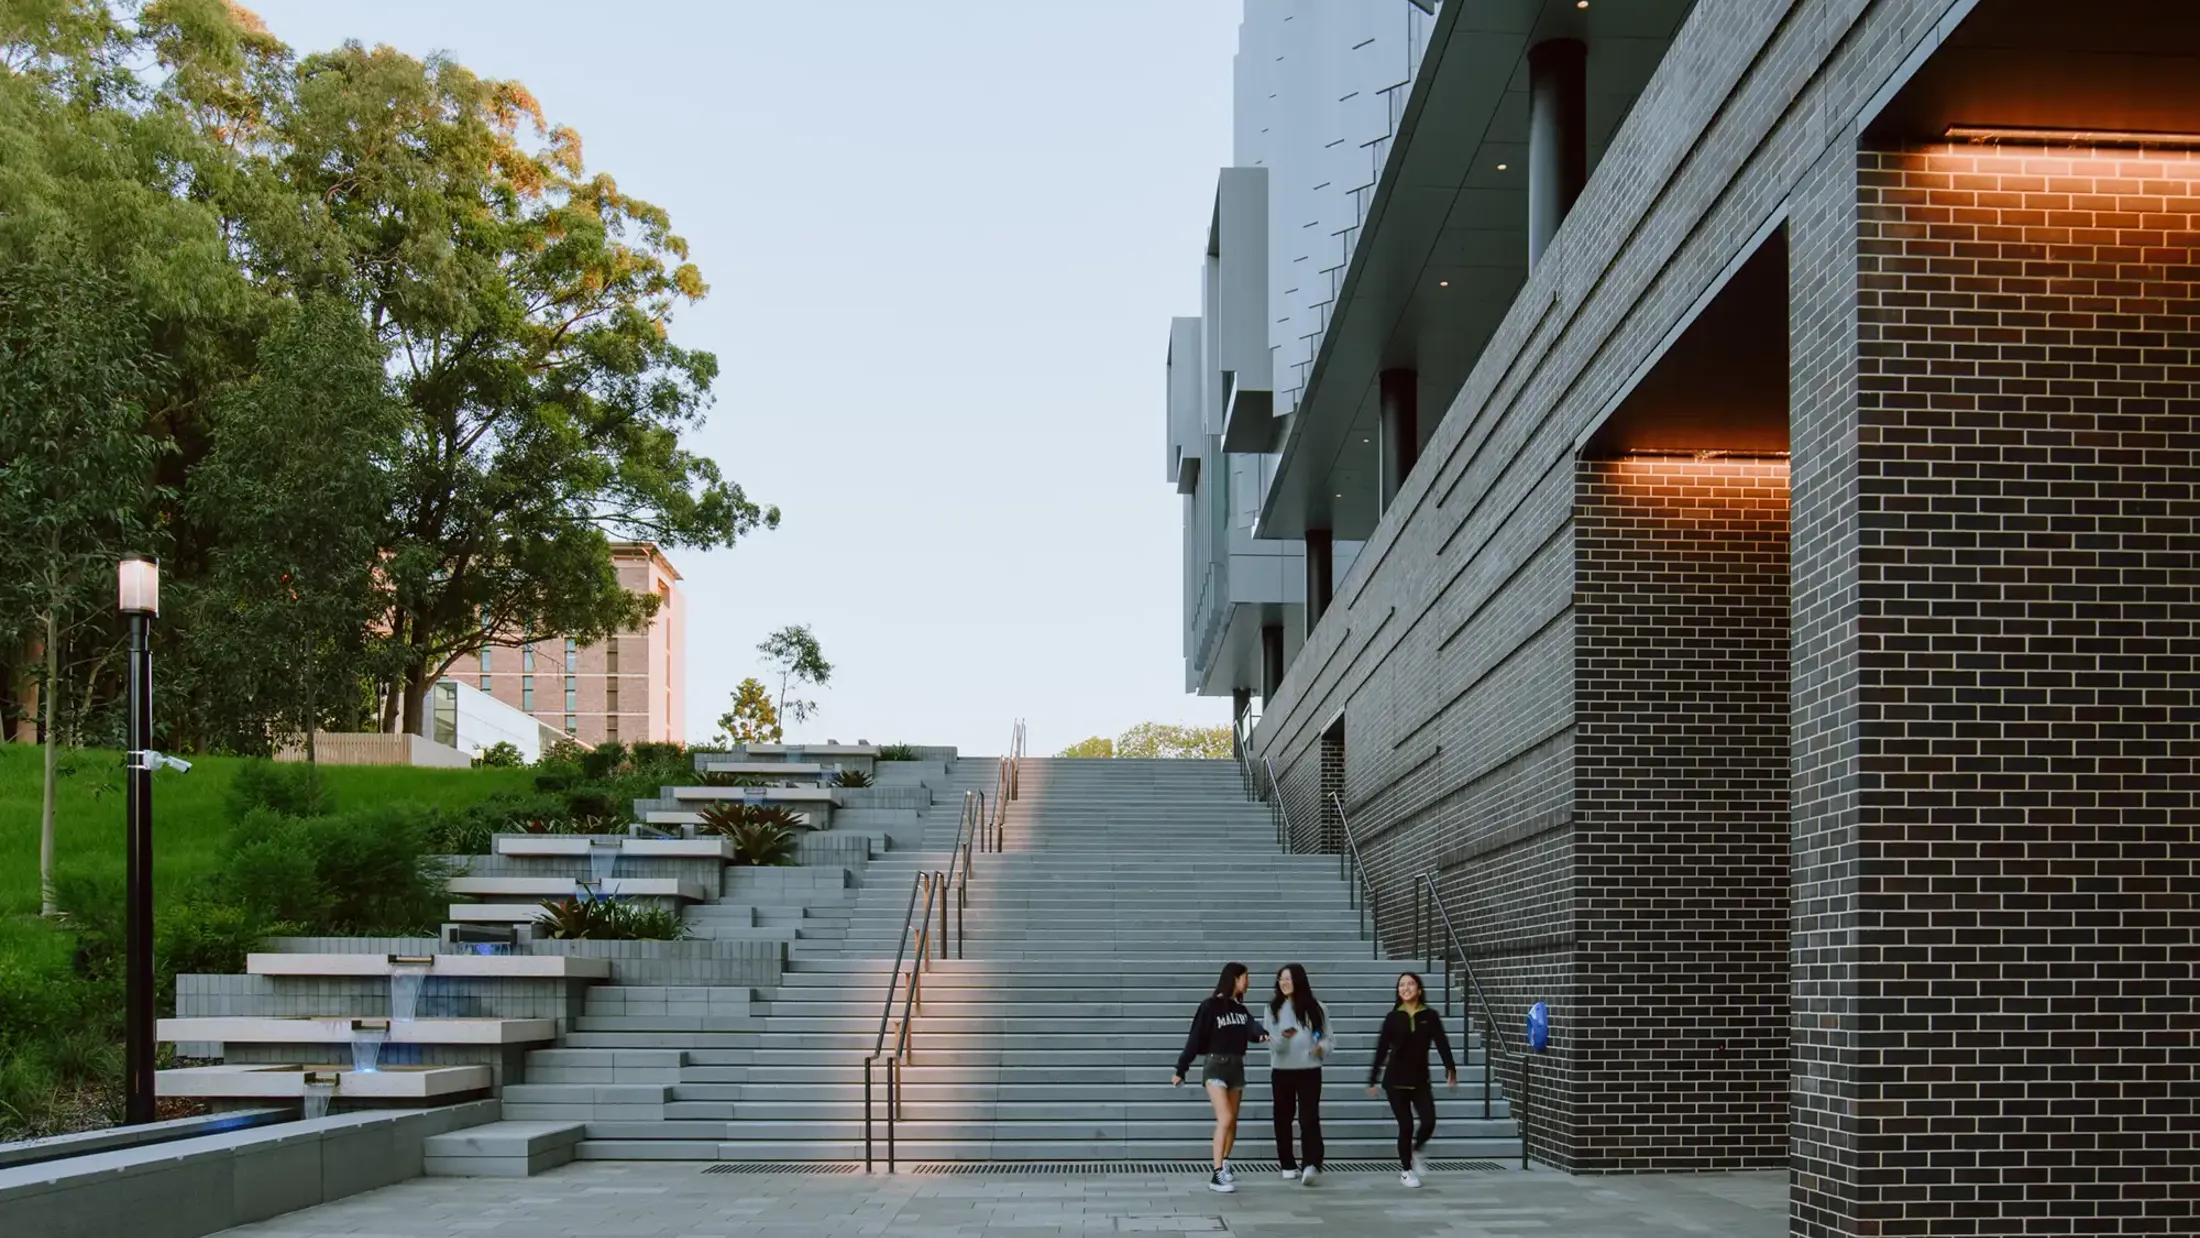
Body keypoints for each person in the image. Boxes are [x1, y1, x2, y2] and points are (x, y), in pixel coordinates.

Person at [1172, 961, 1269, 1193]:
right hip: (1216, 1066)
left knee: (1232, 1121)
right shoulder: (1209, 1006)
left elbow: (1251, 1028)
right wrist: (1181, 1069)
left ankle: (1225, 1162)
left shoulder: (1240, 1010)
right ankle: (1216, 1175)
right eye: (1246, 977)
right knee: (1224, 1117)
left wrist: (1263, 1034)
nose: (1249, 982)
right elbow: (1195, 1038)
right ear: (1234, 979)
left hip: (1236, 1067)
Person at [1366, 971, 1456, 1188]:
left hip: (1420, 1080)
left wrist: (1450, 1069)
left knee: (1429, 1121)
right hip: (1395, 1081)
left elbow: (1442, 1043)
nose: (1405, 988)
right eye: (1401, 985)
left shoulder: (1430, 1016)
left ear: (1419, 989)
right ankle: (1406, 1171)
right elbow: (1381, 1049)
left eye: (1410, 984)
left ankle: (1416, 1151)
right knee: (1405, 1125)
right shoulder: (1392, 1017)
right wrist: (1373, 1078)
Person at [1262, 962, 1331, 1185]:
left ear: (1299, 981)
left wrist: (1321, 1048)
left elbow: (1329, 1038)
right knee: (1282, 1117)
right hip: (1282, 1069)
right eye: (1281, 978)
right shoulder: (1272, 1009)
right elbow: (1272, 1045)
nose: (1284, 983)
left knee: (1309, 1117)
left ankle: (1311, 1163)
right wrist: (1283, 1037)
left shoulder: (1317, 1008)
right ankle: (1287, 1163)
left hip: (1309, 1070)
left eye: (1289, 978)